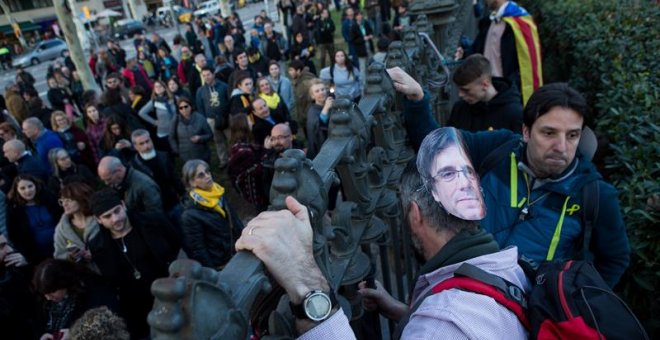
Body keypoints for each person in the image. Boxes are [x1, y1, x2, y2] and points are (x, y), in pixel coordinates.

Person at [389, 66, 630, 287]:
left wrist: (575, 304)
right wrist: (417, 99)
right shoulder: (499, 148)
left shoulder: (594, 194)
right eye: (549, 133)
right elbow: (437, 149)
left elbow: (615, 259)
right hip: (467, 290)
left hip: (530, 320)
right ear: (526, 131)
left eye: (572, 135)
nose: (561, 147)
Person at [235, 157, 530, 338]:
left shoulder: (442, 326)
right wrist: (407, 313)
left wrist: (306, 282)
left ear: (414, 214)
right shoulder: (506, 266)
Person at [87, 188, 180, 338]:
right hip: (138, 311)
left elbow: (178, 246)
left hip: (171, 295)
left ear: (123, 205)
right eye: (107, 216)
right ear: (99, 220)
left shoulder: (153, 222)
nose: (115, 219)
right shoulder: (98, 246)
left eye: (117, 211)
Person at [457, 0, 542, 104]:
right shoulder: (492, 19)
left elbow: (524, 64)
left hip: (505, 94)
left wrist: (510, 88)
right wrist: (464, 54)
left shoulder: (519, 21)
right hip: (485, 90)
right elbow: (482, 48)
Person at [180, 159, 243, 269]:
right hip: (221, 264)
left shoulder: (218, 193)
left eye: (207, 172)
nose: (207, 176)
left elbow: (235, 221)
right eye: (201, 175)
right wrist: (212, 272)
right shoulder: (190, 215)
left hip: (237, 251)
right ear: (192, 182)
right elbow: (198, 250)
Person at [32, 259, 117, 340]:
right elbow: (38, 323)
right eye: (45, 294)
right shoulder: (45, 301)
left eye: (52, 292)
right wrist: (43, 335)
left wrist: (76, 334)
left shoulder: (92, 291)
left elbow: (108, 322)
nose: (48, 298)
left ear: (62, 283)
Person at [447, 54, 523, 133]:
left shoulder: (514, 114)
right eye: (459, 89)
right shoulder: (459, 109)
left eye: (466, 90)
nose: (460, 95)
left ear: (485, 85)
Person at [6, 174, 62, 265]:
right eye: (22, 188)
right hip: (37, 257)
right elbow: (14, 236)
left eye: (30, 186)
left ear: (36, 186)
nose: (27, 191)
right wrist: (27, 256)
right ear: (17, 190)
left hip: (60, 249)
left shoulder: (49, 200)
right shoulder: (14, 210)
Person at [130, 129, 183, 220]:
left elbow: (174, 178)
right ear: (135, 146)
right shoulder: (133, 166)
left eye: (147, 141)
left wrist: (183, 194)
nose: (146, 146)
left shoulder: (164, 156)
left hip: (173, 203)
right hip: (154, 209)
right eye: (141, 144)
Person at [52, 182, 99, 271]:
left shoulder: (100, 219)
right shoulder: (61, 228)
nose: (64, 204)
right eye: (62, 201)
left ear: (82, 199)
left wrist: (95, 254)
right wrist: (71, 257)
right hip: (83, 275)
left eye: (68, 200)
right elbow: (58, 257)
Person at [0, 234, 37, 339]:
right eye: (2, 247)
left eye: (7, 244)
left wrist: (27, 266)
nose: (9, 250)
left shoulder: (14, 269)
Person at [97, 156, 163, 213]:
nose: (106, 183)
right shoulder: (118, 182)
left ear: (118, 171)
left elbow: (155, 214)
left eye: (108, 179)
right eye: (104, 180)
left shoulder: (145, 186)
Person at [196, 66, 231, 167]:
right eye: (204, 76)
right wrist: (205, 120)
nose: (206, 77)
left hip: (225, 117)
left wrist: (227, 114)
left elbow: (229, 101)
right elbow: (200, 107)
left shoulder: (223, 86)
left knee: (231, 138)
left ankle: (234, 156)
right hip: (211, 120)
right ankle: (224, 160)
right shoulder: (201, 91)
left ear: (213, 74)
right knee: (218, 140)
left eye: (208, 75)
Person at [169, 97, 213, 163]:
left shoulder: (200, 118)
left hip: (201, 154)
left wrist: (200, 138)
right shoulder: (175, 120)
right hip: (185, 156)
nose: (184, 109)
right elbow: (171, 137)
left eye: (186, 106)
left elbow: (210, 135)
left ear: (191, 106)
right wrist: (177, 151)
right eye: (181, 108)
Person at [137, 80, 176, 153]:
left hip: (176, 127)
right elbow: (141, 113)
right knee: (169, 152)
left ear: (164, 88)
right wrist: (154, 122)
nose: (158, 88)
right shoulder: (154, 102)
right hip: (164, 131)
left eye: (160, 86)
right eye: (156, 87)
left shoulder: (173, 98)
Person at [306, 80, 334, 159]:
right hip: (321, 148)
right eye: (317, 91)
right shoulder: (312, 111)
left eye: (323, 89)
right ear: (312, 96)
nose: (321, 92)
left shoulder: (331, 103)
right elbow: (316, 127)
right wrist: (326, 108)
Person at [288, 60, 316, 136]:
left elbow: (313, 100)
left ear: (298, 70)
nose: (289, 73)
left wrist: (305, 115)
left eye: (291, 70)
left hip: (309, 118)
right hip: (304, 119)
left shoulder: (306, 82)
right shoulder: (298, 80)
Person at [350, 11, 375, 83]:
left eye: (361, 15)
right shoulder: (354, 26)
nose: (360, 16)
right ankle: (364, 82)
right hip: (361, 49)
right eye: (358, 15)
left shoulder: (365, 23)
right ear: (355, 17)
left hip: (369, 47)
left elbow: (370, 31)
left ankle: (371, 78)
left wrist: (370, 35)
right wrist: (363, 39)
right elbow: (353, 39)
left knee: (370, 63)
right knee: (363, 67)